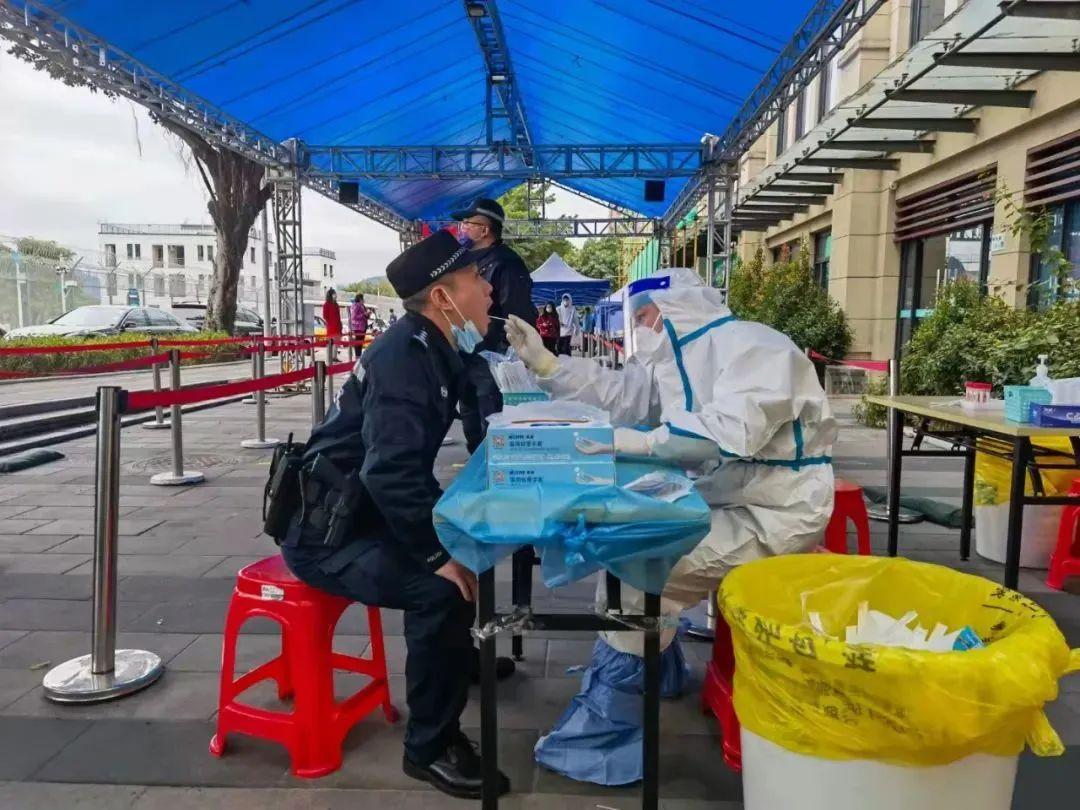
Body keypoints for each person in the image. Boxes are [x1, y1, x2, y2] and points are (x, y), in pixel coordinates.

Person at [506, 267, 836, 784]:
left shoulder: (756, 348)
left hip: (779, 512)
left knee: (637, 578)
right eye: (637, 318)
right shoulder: (683, 357)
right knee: (637, 555)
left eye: (646, 316)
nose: (643, 328)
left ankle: (606, 738)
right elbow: (624, 394)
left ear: (679, 308)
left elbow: (729, 431)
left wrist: (639, 442)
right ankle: (652, 672)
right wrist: (547, 363)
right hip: (730, 493)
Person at [279, 231, 514, 799]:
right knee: (442, 589)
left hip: (366, 510)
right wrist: (434, 556)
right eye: (477, 279)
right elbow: (389, 473)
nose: (489, 288)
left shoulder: (436, 344)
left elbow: (477, 408)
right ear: (443, 297)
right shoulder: (405, 358)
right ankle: (429, 747)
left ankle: (455, 661)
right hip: (328, 533)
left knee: (467, 544)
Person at [451, 197, 536, 454]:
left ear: (484, 229)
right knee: (470, 419)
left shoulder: (505, 263)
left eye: (467, 223)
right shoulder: (463, 261)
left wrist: (509, 355)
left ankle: (494, 468)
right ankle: (476, 464)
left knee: (492, 421)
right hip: (465, 353)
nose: (462, 228)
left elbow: (518, 315)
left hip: (492, 357)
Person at [322, 288, 343, 361]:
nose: (336, 295)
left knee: (336, 343)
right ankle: (329, 358)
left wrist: (340, 325)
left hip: (337, 326)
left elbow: (338, 316)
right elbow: (325, 316)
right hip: (331, 327)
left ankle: (334, 357)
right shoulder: (326, 304)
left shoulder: (336, 304)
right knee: (330, 343)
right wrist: (331, 321)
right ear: (331, 295)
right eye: (334, 294)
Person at [349, 292, 369, 360]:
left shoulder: (362, 306)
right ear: (360, 298)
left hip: (363, 326)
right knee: (358, 343)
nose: (364, 299)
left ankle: (359, 356)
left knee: (360, 343)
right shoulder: (355, 305)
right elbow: (354, 317)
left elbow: (364, 315)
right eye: (363, 298)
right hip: (358, 327)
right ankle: (357, 357)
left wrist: (367, 315)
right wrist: (363, 314)